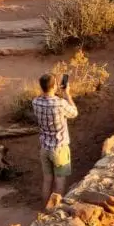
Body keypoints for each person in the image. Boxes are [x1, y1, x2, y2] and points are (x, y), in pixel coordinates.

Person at [32, 73, 78, 204]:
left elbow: (44, 98)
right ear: (55, 86)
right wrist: (67, 94)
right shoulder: (60, 103)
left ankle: (44, 209)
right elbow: (74, 112)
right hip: (59, 147)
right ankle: (55, 212)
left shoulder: (35, 102)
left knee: (47, 180)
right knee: (60, 181)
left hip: (44, 148)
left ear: (41, 87)